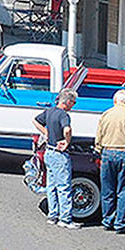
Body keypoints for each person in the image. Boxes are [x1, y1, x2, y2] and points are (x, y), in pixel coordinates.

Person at [96, 89, 125, 233]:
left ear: (115, 101)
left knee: (107, 189)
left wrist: (99, 151)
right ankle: (121, 223)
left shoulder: (106, 114)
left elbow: (99, 136)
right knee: (124, 190)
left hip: (108, 151)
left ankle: (107, 220)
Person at [34, 90, 79, 229]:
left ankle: (52, 215)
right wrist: (67, 141)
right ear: (67, 102)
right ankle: (65, 219)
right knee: (64, 186)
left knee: (51, 186)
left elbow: (36, 121)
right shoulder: (64, 115)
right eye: (73, 102)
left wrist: (46, 132)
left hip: (49, 152)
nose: (74, 105)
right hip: (59, 155)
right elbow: (67, 130)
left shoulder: (49, 111)